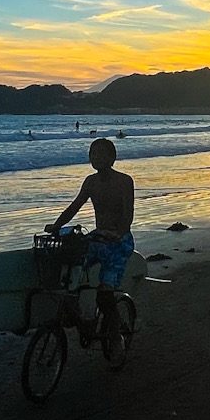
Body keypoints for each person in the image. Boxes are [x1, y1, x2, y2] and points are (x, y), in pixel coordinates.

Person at [46, 138, 135, 357]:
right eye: (93, 154)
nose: (96, 157)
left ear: (112, 158)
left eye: (102, 154)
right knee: (69, 271)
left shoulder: (124, 181)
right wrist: (56, 226)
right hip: (98, 238)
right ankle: (78, 316)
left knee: (105, 297)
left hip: (118, 242)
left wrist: (118, 233)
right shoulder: (90, 182)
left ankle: (115, 337)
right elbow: (75, 206)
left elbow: (128, 215)